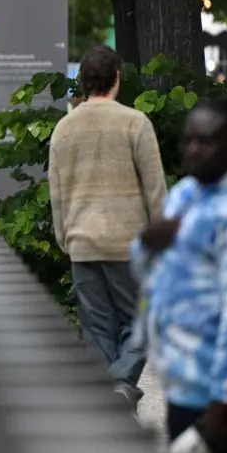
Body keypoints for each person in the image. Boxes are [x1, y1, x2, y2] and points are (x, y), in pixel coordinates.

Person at [48, 44, 166, 406]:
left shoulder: (64, 129)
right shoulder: (135, 123)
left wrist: (65, 236)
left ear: (82, 82)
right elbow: (155, 188)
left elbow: (57, 192)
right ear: (117, 78)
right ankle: (120, 384)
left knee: (96, 328)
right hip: (128, 242)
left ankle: (110, 395)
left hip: (82, 241)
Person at [133, 99, 227, 453]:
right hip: (182, 386)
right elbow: (148, 274)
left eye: (205, 141)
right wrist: (145, 243)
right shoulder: (184, 195)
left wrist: (224, 400)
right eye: (187, 141)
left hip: (215, 398)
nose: (193, 150)